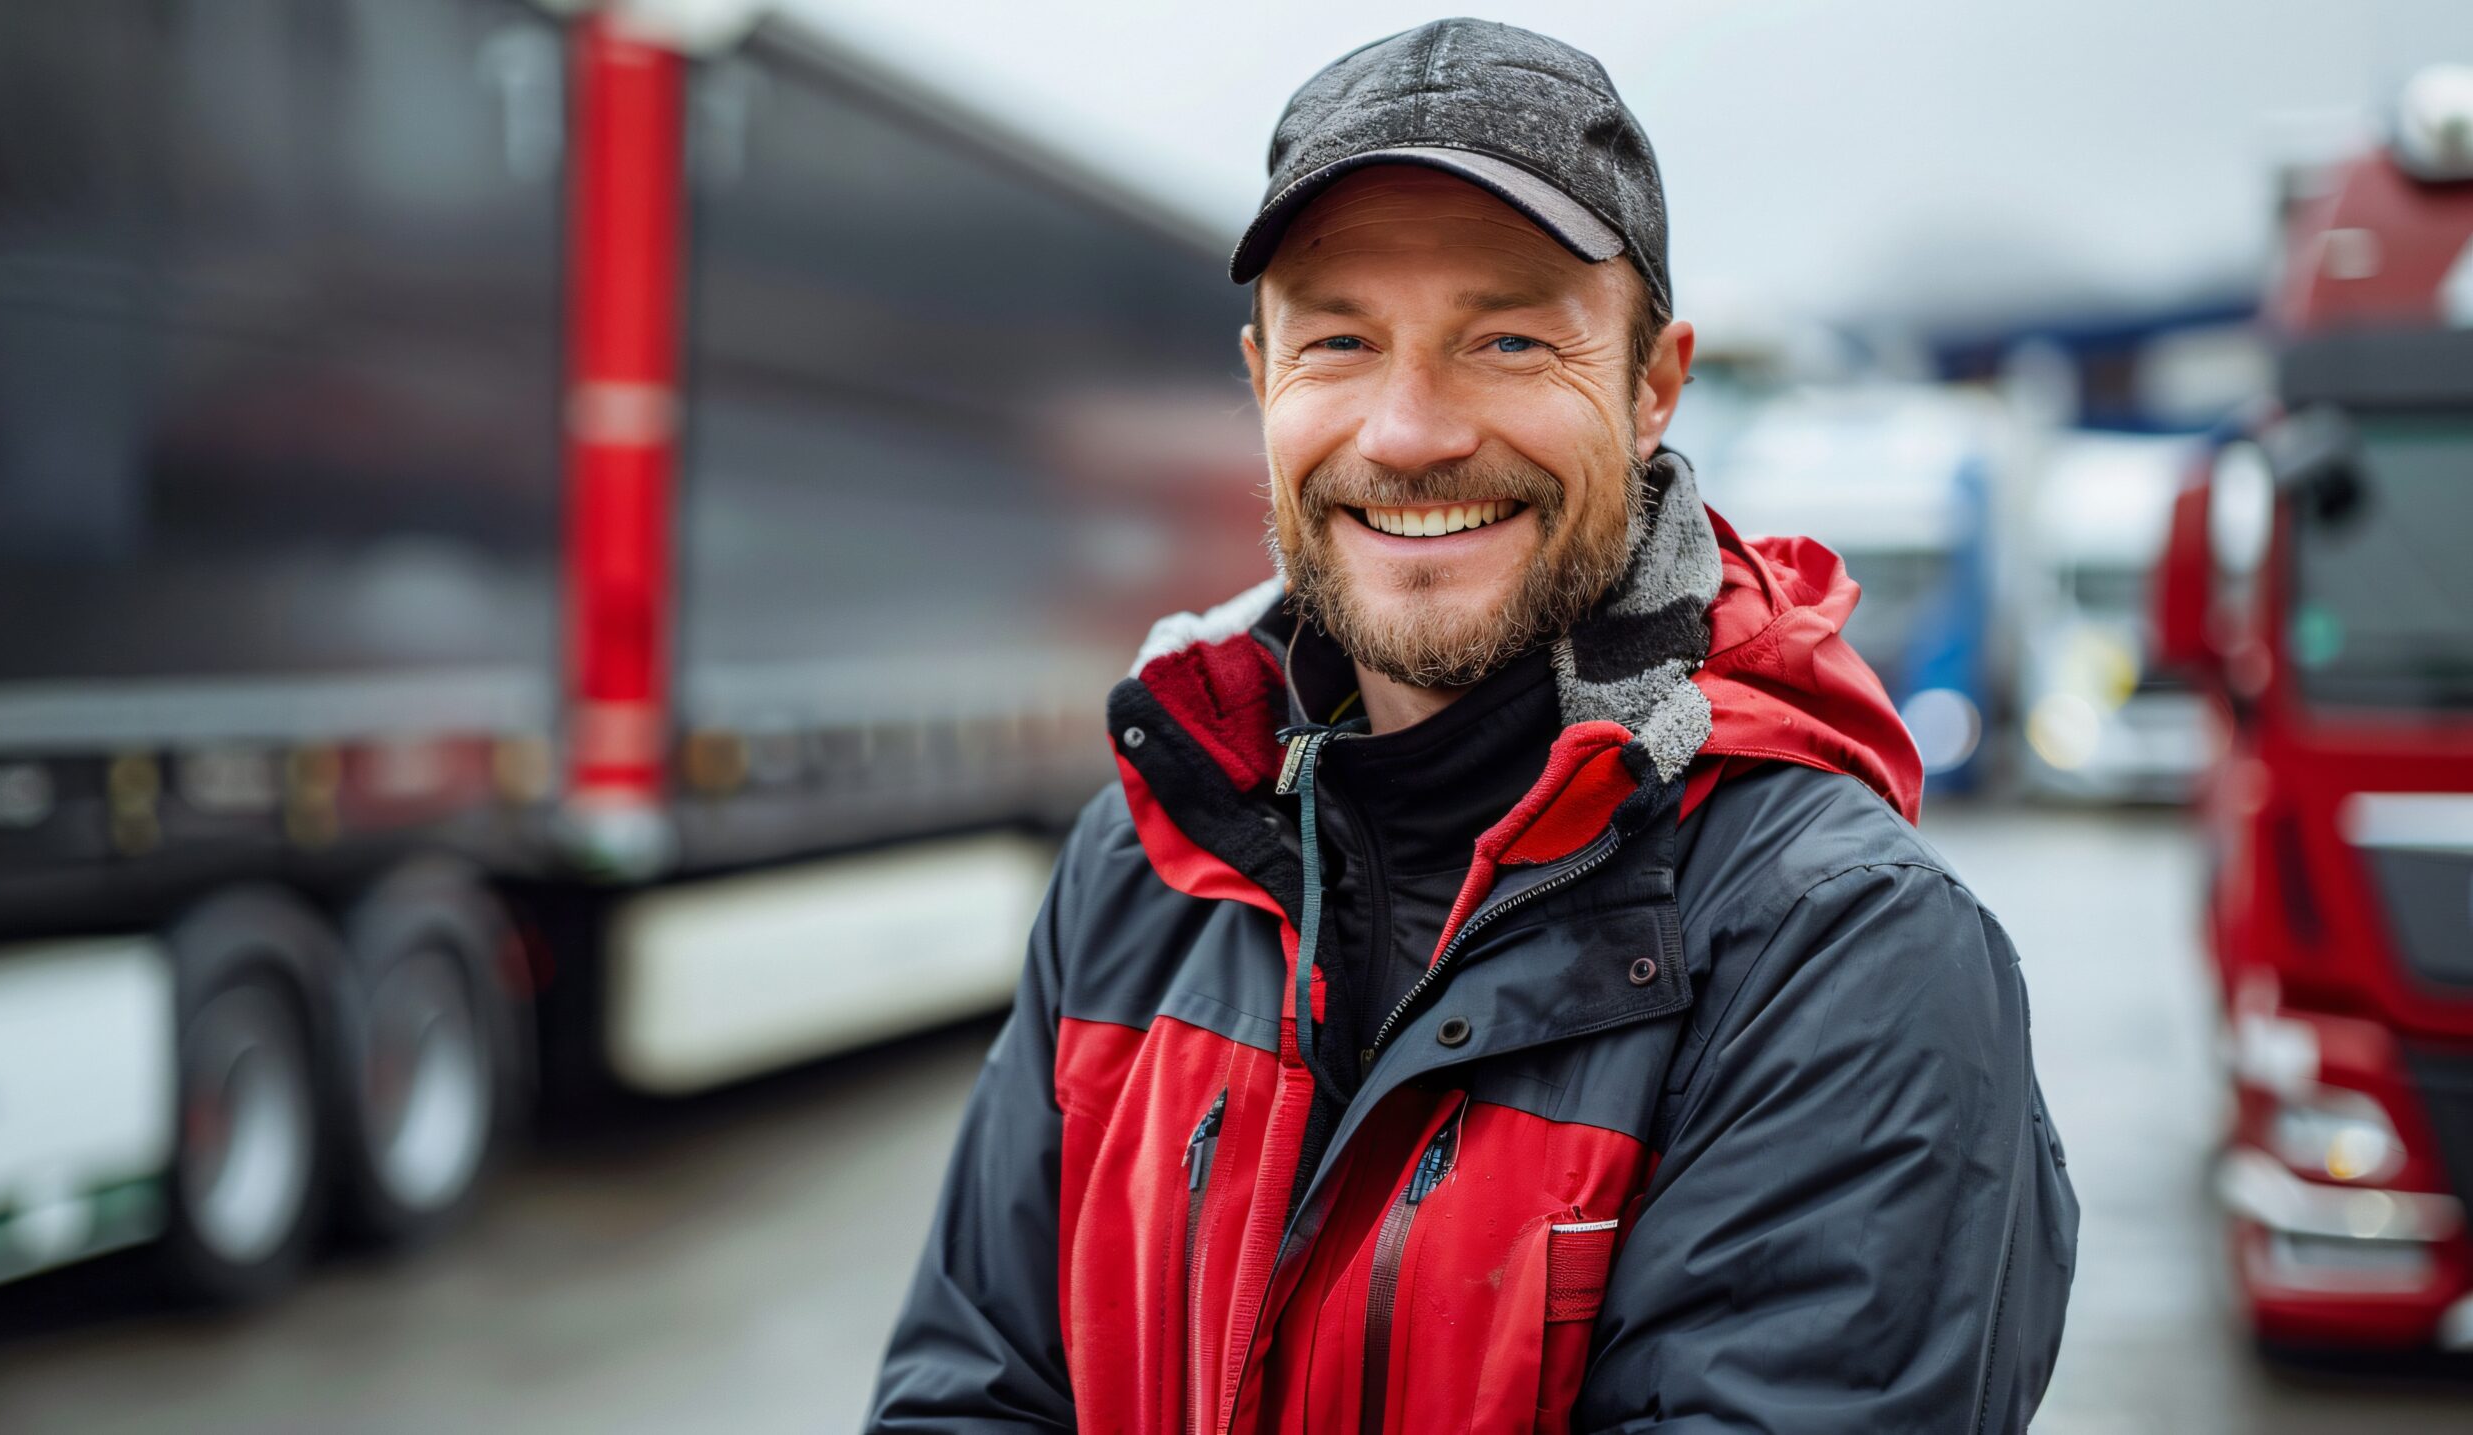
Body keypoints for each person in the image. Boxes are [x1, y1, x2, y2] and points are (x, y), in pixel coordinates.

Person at [868, 18, 2076, 1433]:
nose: (1408, 431)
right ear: (1262, 383)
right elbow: (972, 1392)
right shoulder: (1145, 864)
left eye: (1506, 337)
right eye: (1340, 340)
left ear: (1653, 384)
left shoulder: (1842, 947)